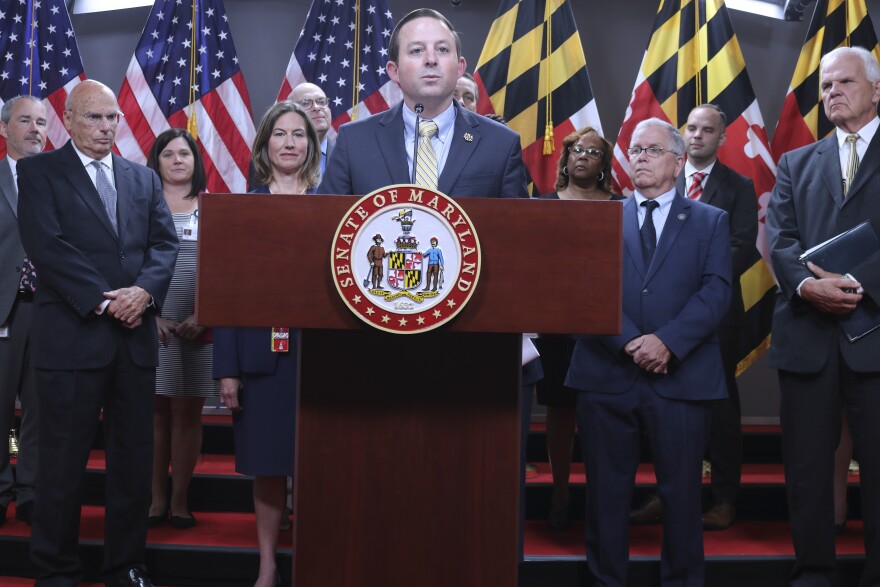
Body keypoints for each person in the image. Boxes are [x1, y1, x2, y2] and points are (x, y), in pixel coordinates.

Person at [17, 79, 178, 587]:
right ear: (68, 120)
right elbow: (47, 245)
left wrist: (144, 293)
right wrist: (110, 299)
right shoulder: (39, 171)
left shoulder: (142, 179)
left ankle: (125, 566)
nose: (107, 127)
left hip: (133, 343)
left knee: (132, 467)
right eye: (95, 118)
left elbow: (163, 245)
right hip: (72, 337)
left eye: (113, 118)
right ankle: (55, 569)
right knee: (61, 466)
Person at [566, 118, 731, 587]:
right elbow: (584, 291)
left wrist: (668, 343)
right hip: (605, 375)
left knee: (681, 498)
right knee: (605, 497)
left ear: (678, 162)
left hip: (681, 380)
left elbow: (716, 293)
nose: (639, 157)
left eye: (652, 149)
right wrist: (630, 341)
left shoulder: (709, 221)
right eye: (635, 150)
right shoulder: (598, 217)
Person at [766, 45, 880, 587]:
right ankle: (812, 572)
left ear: (876, 90)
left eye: (844, 83)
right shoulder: (795, 162)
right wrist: (811, 285)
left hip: (875, 334)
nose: (832, 92)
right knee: (807, 471)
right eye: (826, 86)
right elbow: (781, 242)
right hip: (807, 335)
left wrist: (856, 285)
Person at [630, 104, 759, 531]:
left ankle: (724, 497)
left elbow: (740, 247)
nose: (699, 135)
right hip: (656, 318)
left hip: (712, 317)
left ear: (722, 138)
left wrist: (690, 284)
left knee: (719, 411)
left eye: (708, 130)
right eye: (692, 128)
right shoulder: (657, 181)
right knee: (660, 410)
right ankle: (666, 495)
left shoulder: (738, 186)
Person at [214, 100, 320, 587]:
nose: (290, 143)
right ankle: (268, 566)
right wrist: (227, 369)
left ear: (312, 146)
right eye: (280, 134)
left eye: (299, 134)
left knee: (318, 466)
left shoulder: (332, 207)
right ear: (264, 145)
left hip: (321, 356)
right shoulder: (244, 208)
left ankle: (317, 562)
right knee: (269, 467)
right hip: (258, 358)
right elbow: (227, 293)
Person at [318, 8, 528, 199]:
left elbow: (517, 233)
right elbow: (327, 226)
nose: (431, 59)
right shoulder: (354, 141)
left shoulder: (501, 144)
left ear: (460, 67)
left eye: (443, 50)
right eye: (417, 50)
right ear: (394, 71)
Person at [534, 126, 624, 531]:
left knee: (601, 412)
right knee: (560, 409)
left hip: (607, 322)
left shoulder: (622, 205)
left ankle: (601, 495)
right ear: (566, 159)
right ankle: (559, 489)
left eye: (592, 152)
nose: (583, 157)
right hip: (558, 322)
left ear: (604, 164)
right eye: (576, 151)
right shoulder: (545, 203)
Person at [145, 128, 218, 530]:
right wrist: (150, 315)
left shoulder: (213, 207)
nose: (176, 160)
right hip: (152, 323)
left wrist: (205, 313)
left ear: (196, 161)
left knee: (188, 414)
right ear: (156, 162)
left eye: (184, 154)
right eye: (168, 153)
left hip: (197, 326)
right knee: (156, 414)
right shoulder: (143, 204)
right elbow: (131, 265)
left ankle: (179, 500)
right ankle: (155, 500)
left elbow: (225, 269)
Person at [0, 95, 47, 528]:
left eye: (43, 122)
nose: (36, 129)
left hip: (50, 312)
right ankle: (1, 489)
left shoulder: (60, 180)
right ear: (4, 128)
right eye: (26, 120)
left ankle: (31, 489)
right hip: (3, 311)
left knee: (39, 408)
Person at [288, 82, 335, 180]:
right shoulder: (271, 159)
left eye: (321, 102)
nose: (316, 108)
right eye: (306, 103)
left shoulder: (349, 157)